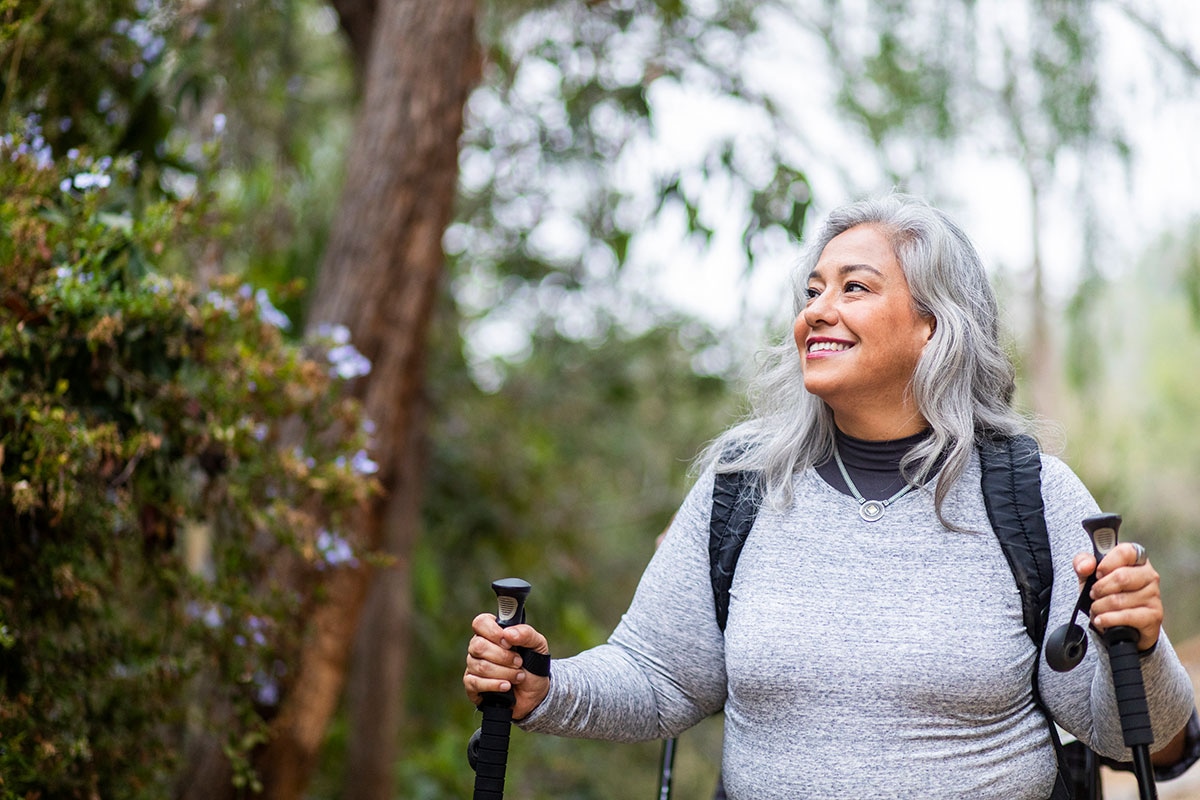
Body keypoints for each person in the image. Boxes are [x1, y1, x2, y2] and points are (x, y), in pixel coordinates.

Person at [463, 193, 1198, 798]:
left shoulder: (1028, 492)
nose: (817, 309)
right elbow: (659, 678)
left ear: (934, 326)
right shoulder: (743, 484)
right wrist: (543, 688)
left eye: (854, 287)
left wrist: (1141, 640)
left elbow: (1132, 732)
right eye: (812, 290)